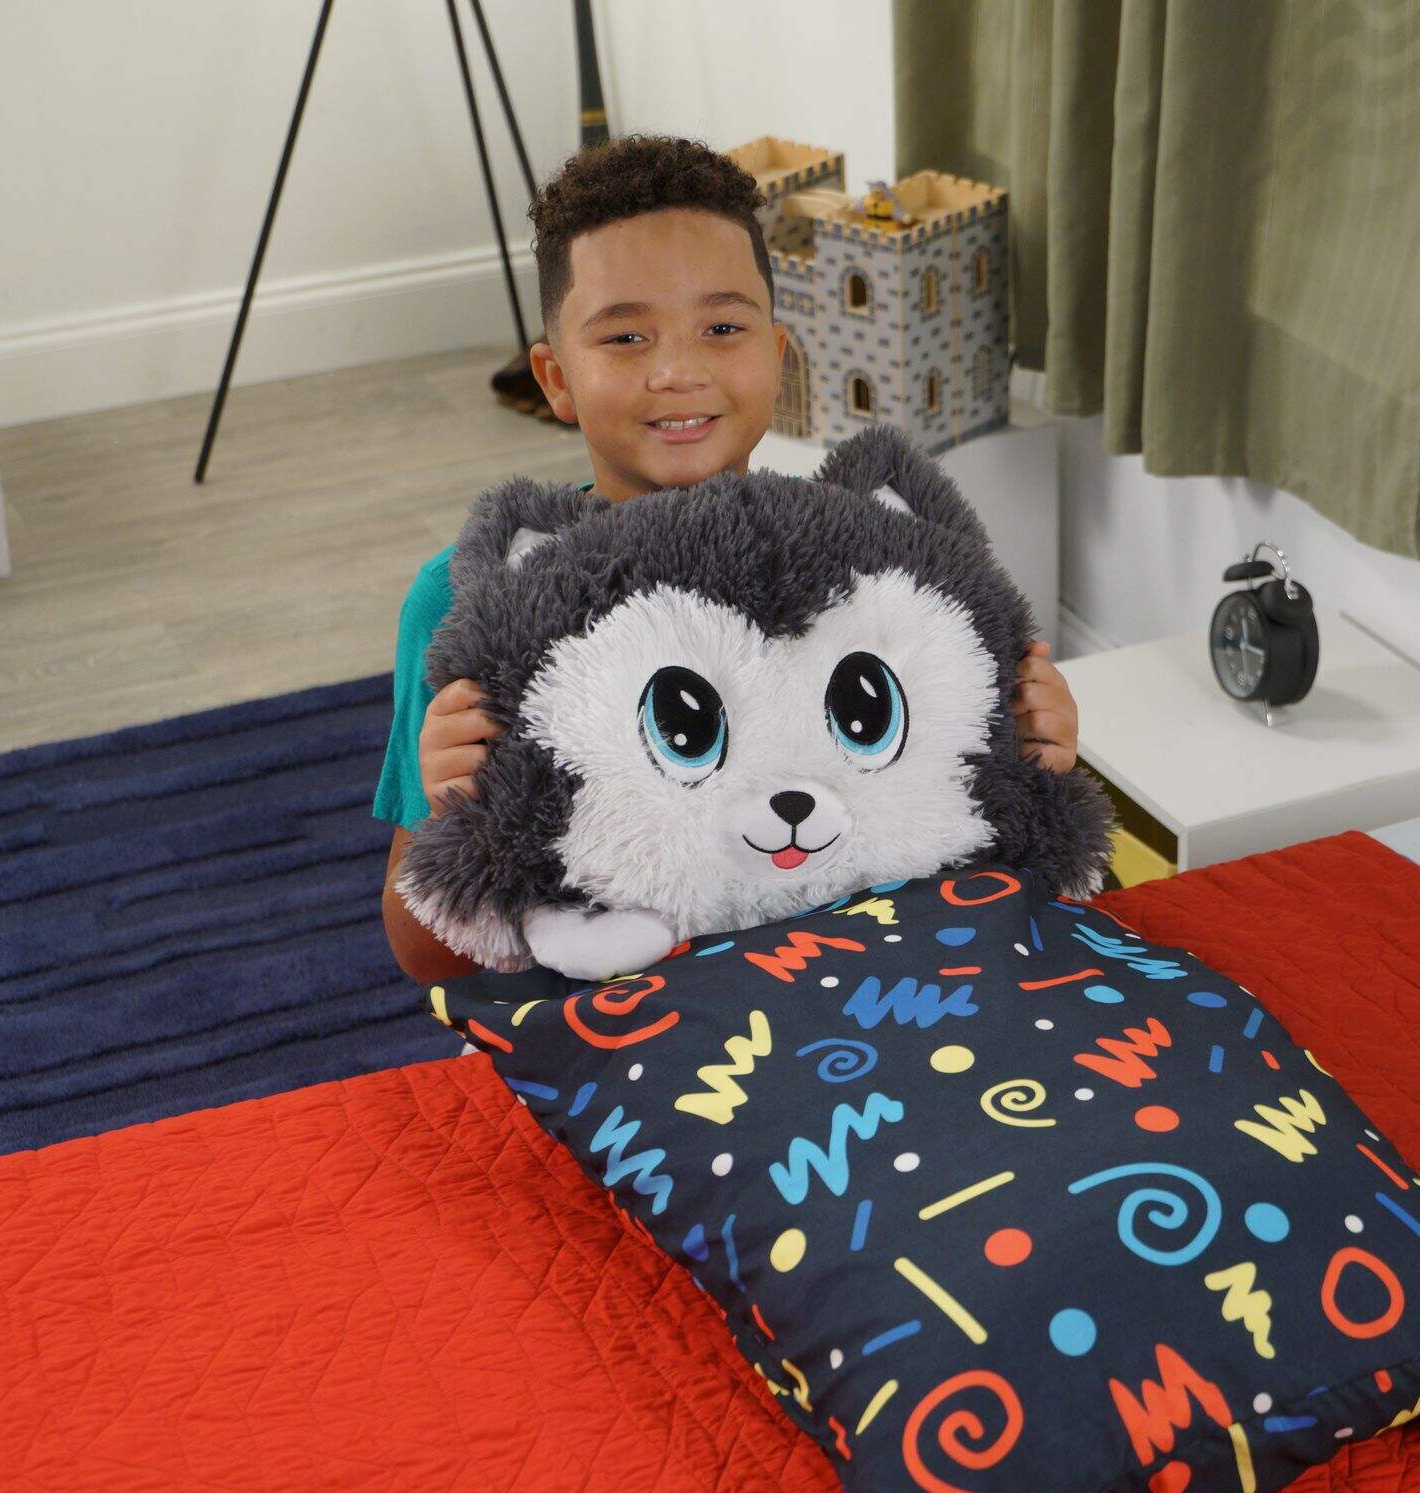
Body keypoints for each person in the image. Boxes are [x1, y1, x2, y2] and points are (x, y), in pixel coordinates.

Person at [377, 135, 1081, 981]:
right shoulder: (471, 600)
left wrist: (1038, 763)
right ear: (554, 378)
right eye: (625, 336)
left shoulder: (866, 576)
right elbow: (426, 957)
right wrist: (453, 812)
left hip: (866, 1000)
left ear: (778, 358)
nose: (678, 371)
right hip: (617, 1022)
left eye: (721, 327)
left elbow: (975, 858)